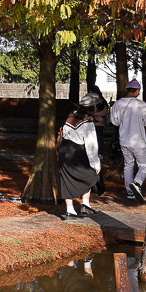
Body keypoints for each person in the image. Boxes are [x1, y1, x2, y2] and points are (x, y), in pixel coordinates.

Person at [60, 92, 103, 220]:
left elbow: (65, 132)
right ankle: (85, 204)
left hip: (64, 148)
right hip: (78, 151)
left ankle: (70, 210)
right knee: (90, 175)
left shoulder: (71, 115)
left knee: (66, 178)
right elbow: (91, 144)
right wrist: (95, 163)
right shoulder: (88, 122)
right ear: (93, 107)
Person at [109, 78, 146, 201]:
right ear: (137, 90)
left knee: (128, 165)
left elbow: (114, 122)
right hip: (138, 141)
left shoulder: (117, 104)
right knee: (144, 165)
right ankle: (137, 183)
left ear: (127, 89)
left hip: (124, 140)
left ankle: (129, 192)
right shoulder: (142, 105)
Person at [88, 84, 110, 158]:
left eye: (92, 93)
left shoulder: (102, 101)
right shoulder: (88, 101)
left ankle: (100, 153)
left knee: (99, 139)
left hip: (99, 123)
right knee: (91, 139)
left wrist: (95, 114)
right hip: (90, 123)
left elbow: (105, 112)